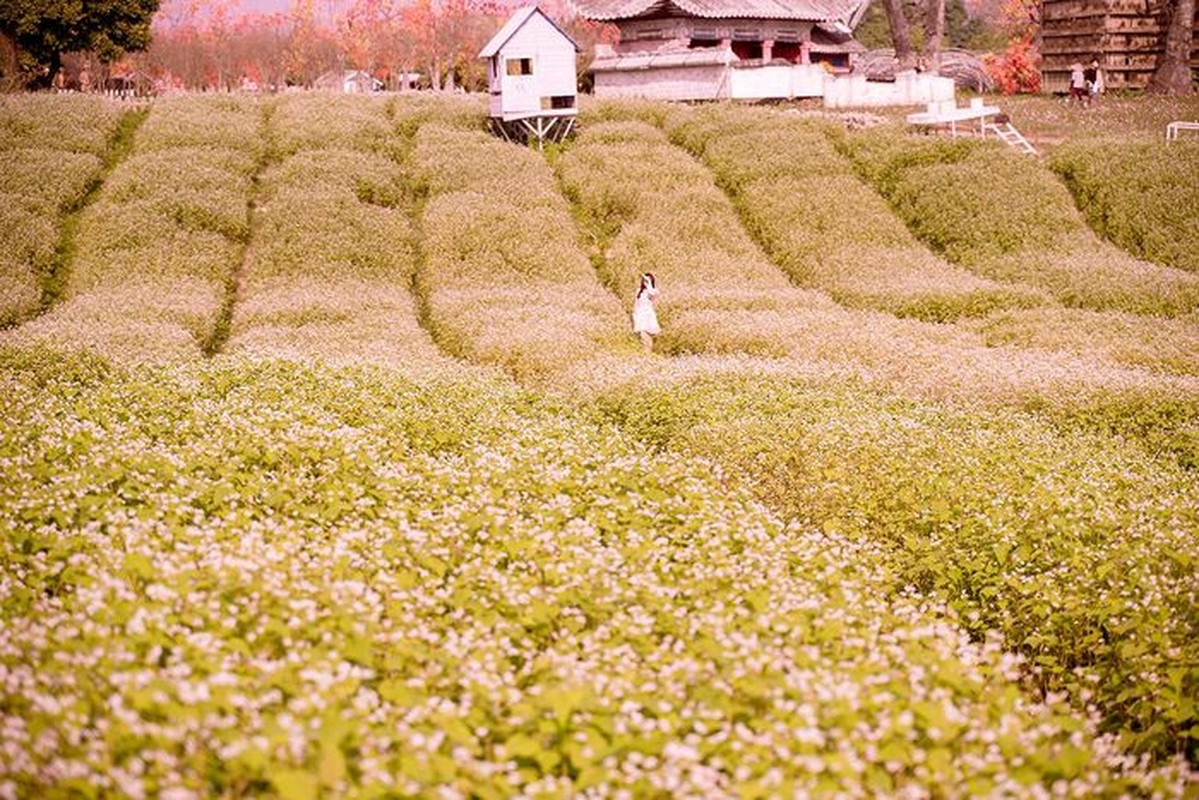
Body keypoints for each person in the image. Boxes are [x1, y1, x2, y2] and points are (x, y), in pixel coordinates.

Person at [632, 273, 660, 353]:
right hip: (640, 313)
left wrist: (649, 284)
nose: (645, 282)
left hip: (648, 314)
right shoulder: (639, 291)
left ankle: (648, 352)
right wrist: (634, 314)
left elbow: (652, 295)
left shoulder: (654, 291)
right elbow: (636, 303)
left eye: (647, 280)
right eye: (644, 280)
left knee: (648, 334)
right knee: (642, 334)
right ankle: (645, 352)